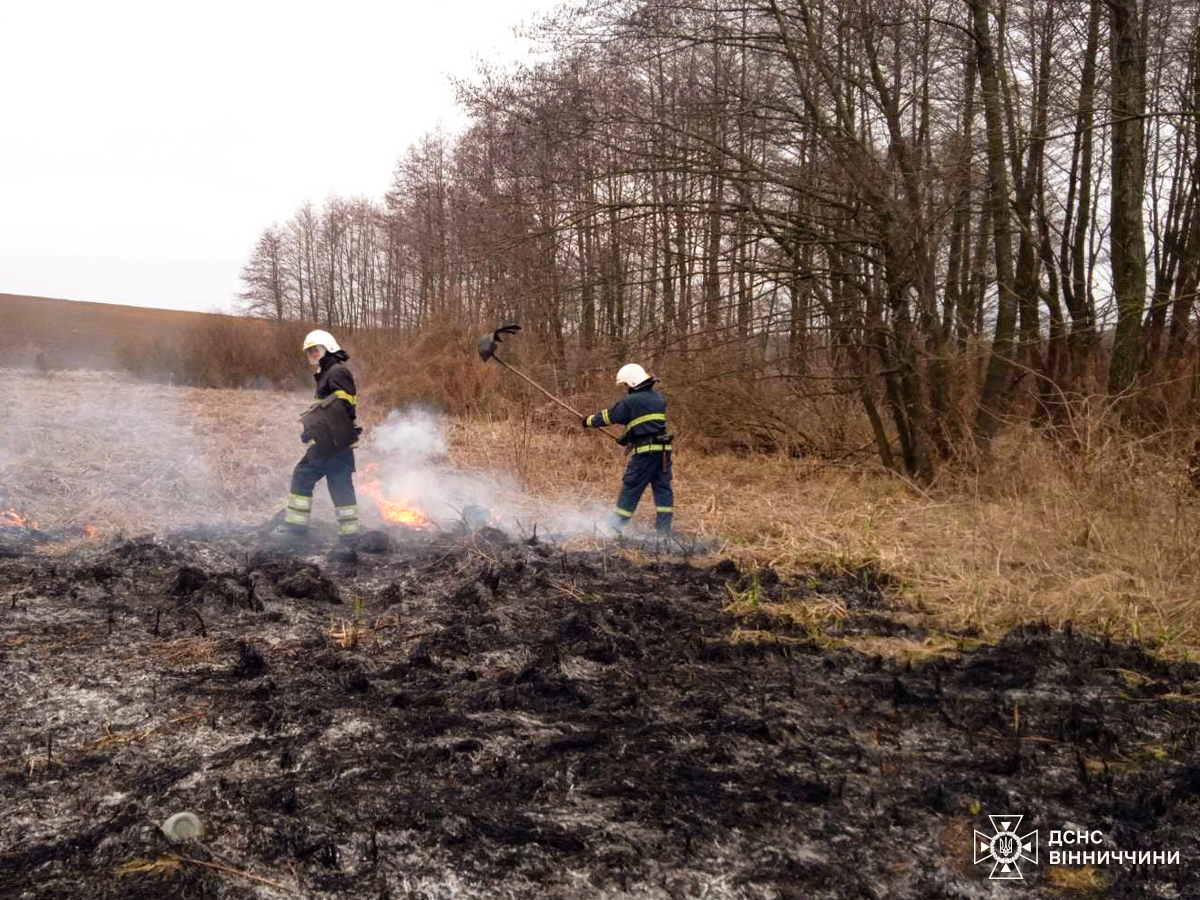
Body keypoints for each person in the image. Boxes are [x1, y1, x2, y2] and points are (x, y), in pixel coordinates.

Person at [281, 330, 362, 544]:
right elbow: (328, 408)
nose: (312, 354)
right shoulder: (328, 372)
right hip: (335, 441)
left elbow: (342, 405)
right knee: (340, 484)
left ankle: (296, 531)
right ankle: (349, 535)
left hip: (331, 442)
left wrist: (315, 425)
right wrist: (311, 428)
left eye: (315, 350)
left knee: (303, 475)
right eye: (310, 351)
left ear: (328, 348)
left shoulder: (336, 372)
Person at [582, 363, 673, 534]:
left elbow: (610, 416)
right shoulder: (658, 398)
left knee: (631, 487)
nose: (625, 388)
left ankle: (614, 528)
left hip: (645, 454)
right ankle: (664, 531)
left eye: (625, 384)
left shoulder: (631, 401)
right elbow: (647, 423)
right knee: (663, 489)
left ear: (631, 383)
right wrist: (630, 436)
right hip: (663, 454)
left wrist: (588, 421)